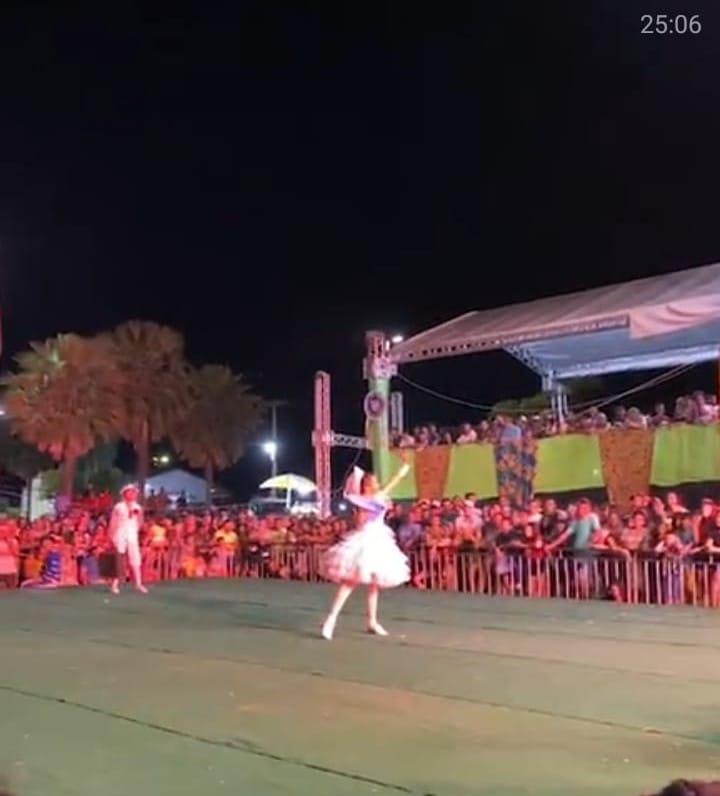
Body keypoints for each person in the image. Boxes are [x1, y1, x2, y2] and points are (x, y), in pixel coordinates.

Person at [320, 457, 412, 640]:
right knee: (350, 582)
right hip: (366, 539)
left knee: (374, 584)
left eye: (377, 482)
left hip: (379, 539)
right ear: (367, 485)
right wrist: (363, 511)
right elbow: (360, 524)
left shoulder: (379, 496)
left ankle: (372, 621)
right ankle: (331, 618)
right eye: (374, 482)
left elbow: (395, 480)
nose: (377, 484)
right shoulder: (361, 501)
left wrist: (406, 466)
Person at [109, 484, 147, 595]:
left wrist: (136, 528)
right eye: (130, 492)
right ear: (125, 494)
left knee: (135, 558)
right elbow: (113, 521)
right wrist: (111, 535)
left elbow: (140, 521)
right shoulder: (119, 506)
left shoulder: (138, 507)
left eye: (134, 492)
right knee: (119, 559)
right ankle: (115, 584)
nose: (133, 494)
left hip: (132, 534)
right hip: (120, 533)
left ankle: (138, 584)